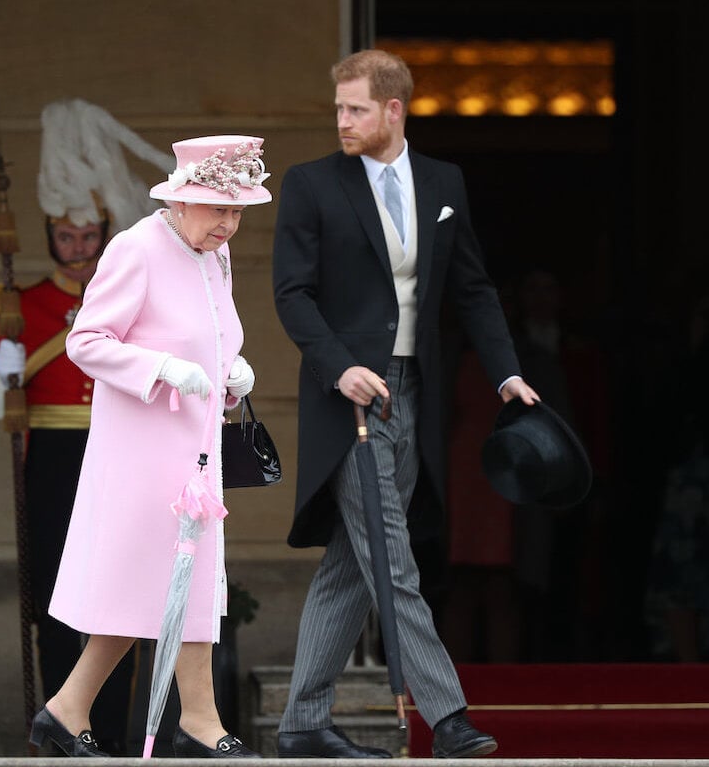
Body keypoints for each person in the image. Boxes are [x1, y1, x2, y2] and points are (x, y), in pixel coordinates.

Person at [271, 49, 539, 759]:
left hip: (417, 390)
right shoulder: (311, 185)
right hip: (348, 398)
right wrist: (339, 369)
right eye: (338, 109)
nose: (343, 121)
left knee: (352, 568)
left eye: (356, 109)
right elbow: (291, 296)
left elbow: (473, 290)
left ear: (395, 110)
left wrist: (506, 373)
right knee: (391, 557)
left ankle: (301, 724)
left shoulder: (443, 182)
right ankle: (447, 716)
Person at [30, 134, 271, 758]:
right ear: (182, 199)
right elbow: (88, 341)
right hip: (140, 450)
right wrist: (159, 367)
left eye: (237, 210)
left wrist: (231, 372)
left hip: (192, 449)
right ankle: (195, 721)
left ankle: (75, 710)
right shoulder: (135, 248)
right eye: (217, 208)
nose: (228, 223)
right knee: (157, 583)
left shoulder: (214, 256)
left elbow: (210, 340)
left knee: (178, 583)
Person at [0, 98, 175, 754]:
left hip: (117, 448)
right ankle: (64, 727)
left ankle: (113, 734)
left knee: (118, 590)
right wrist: (13, 364)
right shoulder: (24, 303)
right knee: (58, 594)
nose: (80, 250)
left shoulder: (125, 292)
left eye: (90, 238)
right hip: (56, 457)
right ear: (50, 236)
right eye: (67, 238)